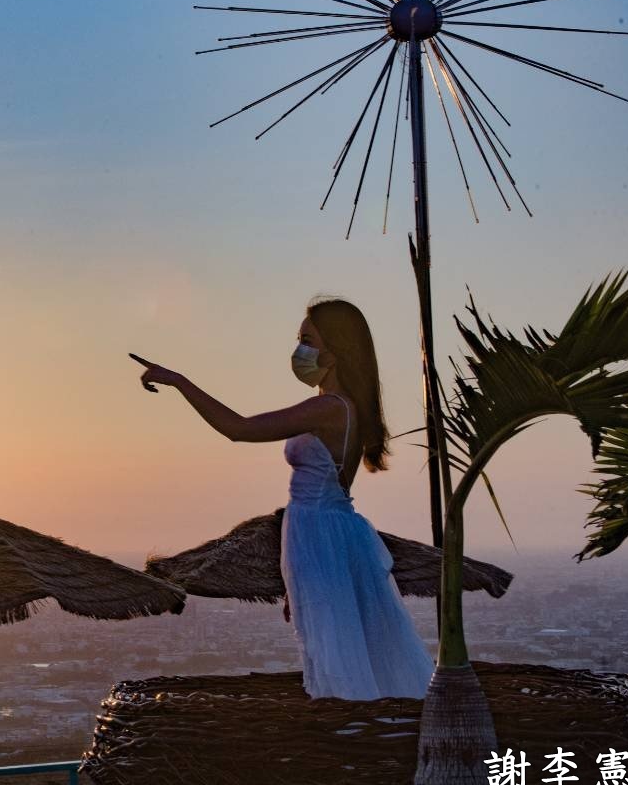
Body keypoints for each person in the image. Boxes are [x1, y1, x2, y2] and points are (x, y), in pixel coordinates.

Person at [132, 297, 434, 700]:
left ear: (335, 348)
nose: (300, 350)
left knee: (332, 643)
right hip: (324, 531)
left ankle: (347, 727)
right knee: (336, 637)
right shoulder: (344, 407)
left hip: (317, 531)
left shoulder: (329, 408)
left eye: (308, 339)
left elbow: (237, 428)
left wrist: (179, 380)